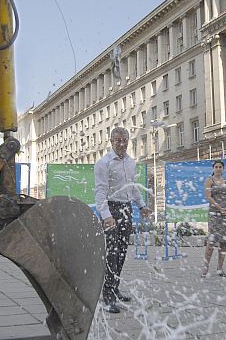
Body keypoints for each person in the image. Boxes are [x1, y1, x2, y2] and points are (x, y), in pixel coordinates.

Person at [94, 127, 148, 313]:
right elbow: (100, 192)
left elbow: (132, 188)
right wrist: (106, 216)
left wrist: (141, 205)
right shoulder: (104, 163)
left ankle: (115, 289)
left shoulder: (131, 163)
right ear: (111, 141)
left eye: (124, 140)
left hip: (127, 209)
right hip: (112, 209)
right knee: (111, 253)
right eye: (118, 140)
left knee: (122, 252)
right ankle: (107, 296)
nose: (122, 143)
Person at [201, 160, 226, 278]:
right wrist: (219, 207)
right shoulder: (210, 180)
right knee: (211, 241)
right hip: (215, 213)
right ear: (213, 168)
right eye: (216, 167)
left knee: (223, 242)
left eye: (220, 167)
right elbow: (208, 196)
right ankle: (205, 267)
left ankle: (220, 268)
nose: (218, 168)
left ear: (223, 169)